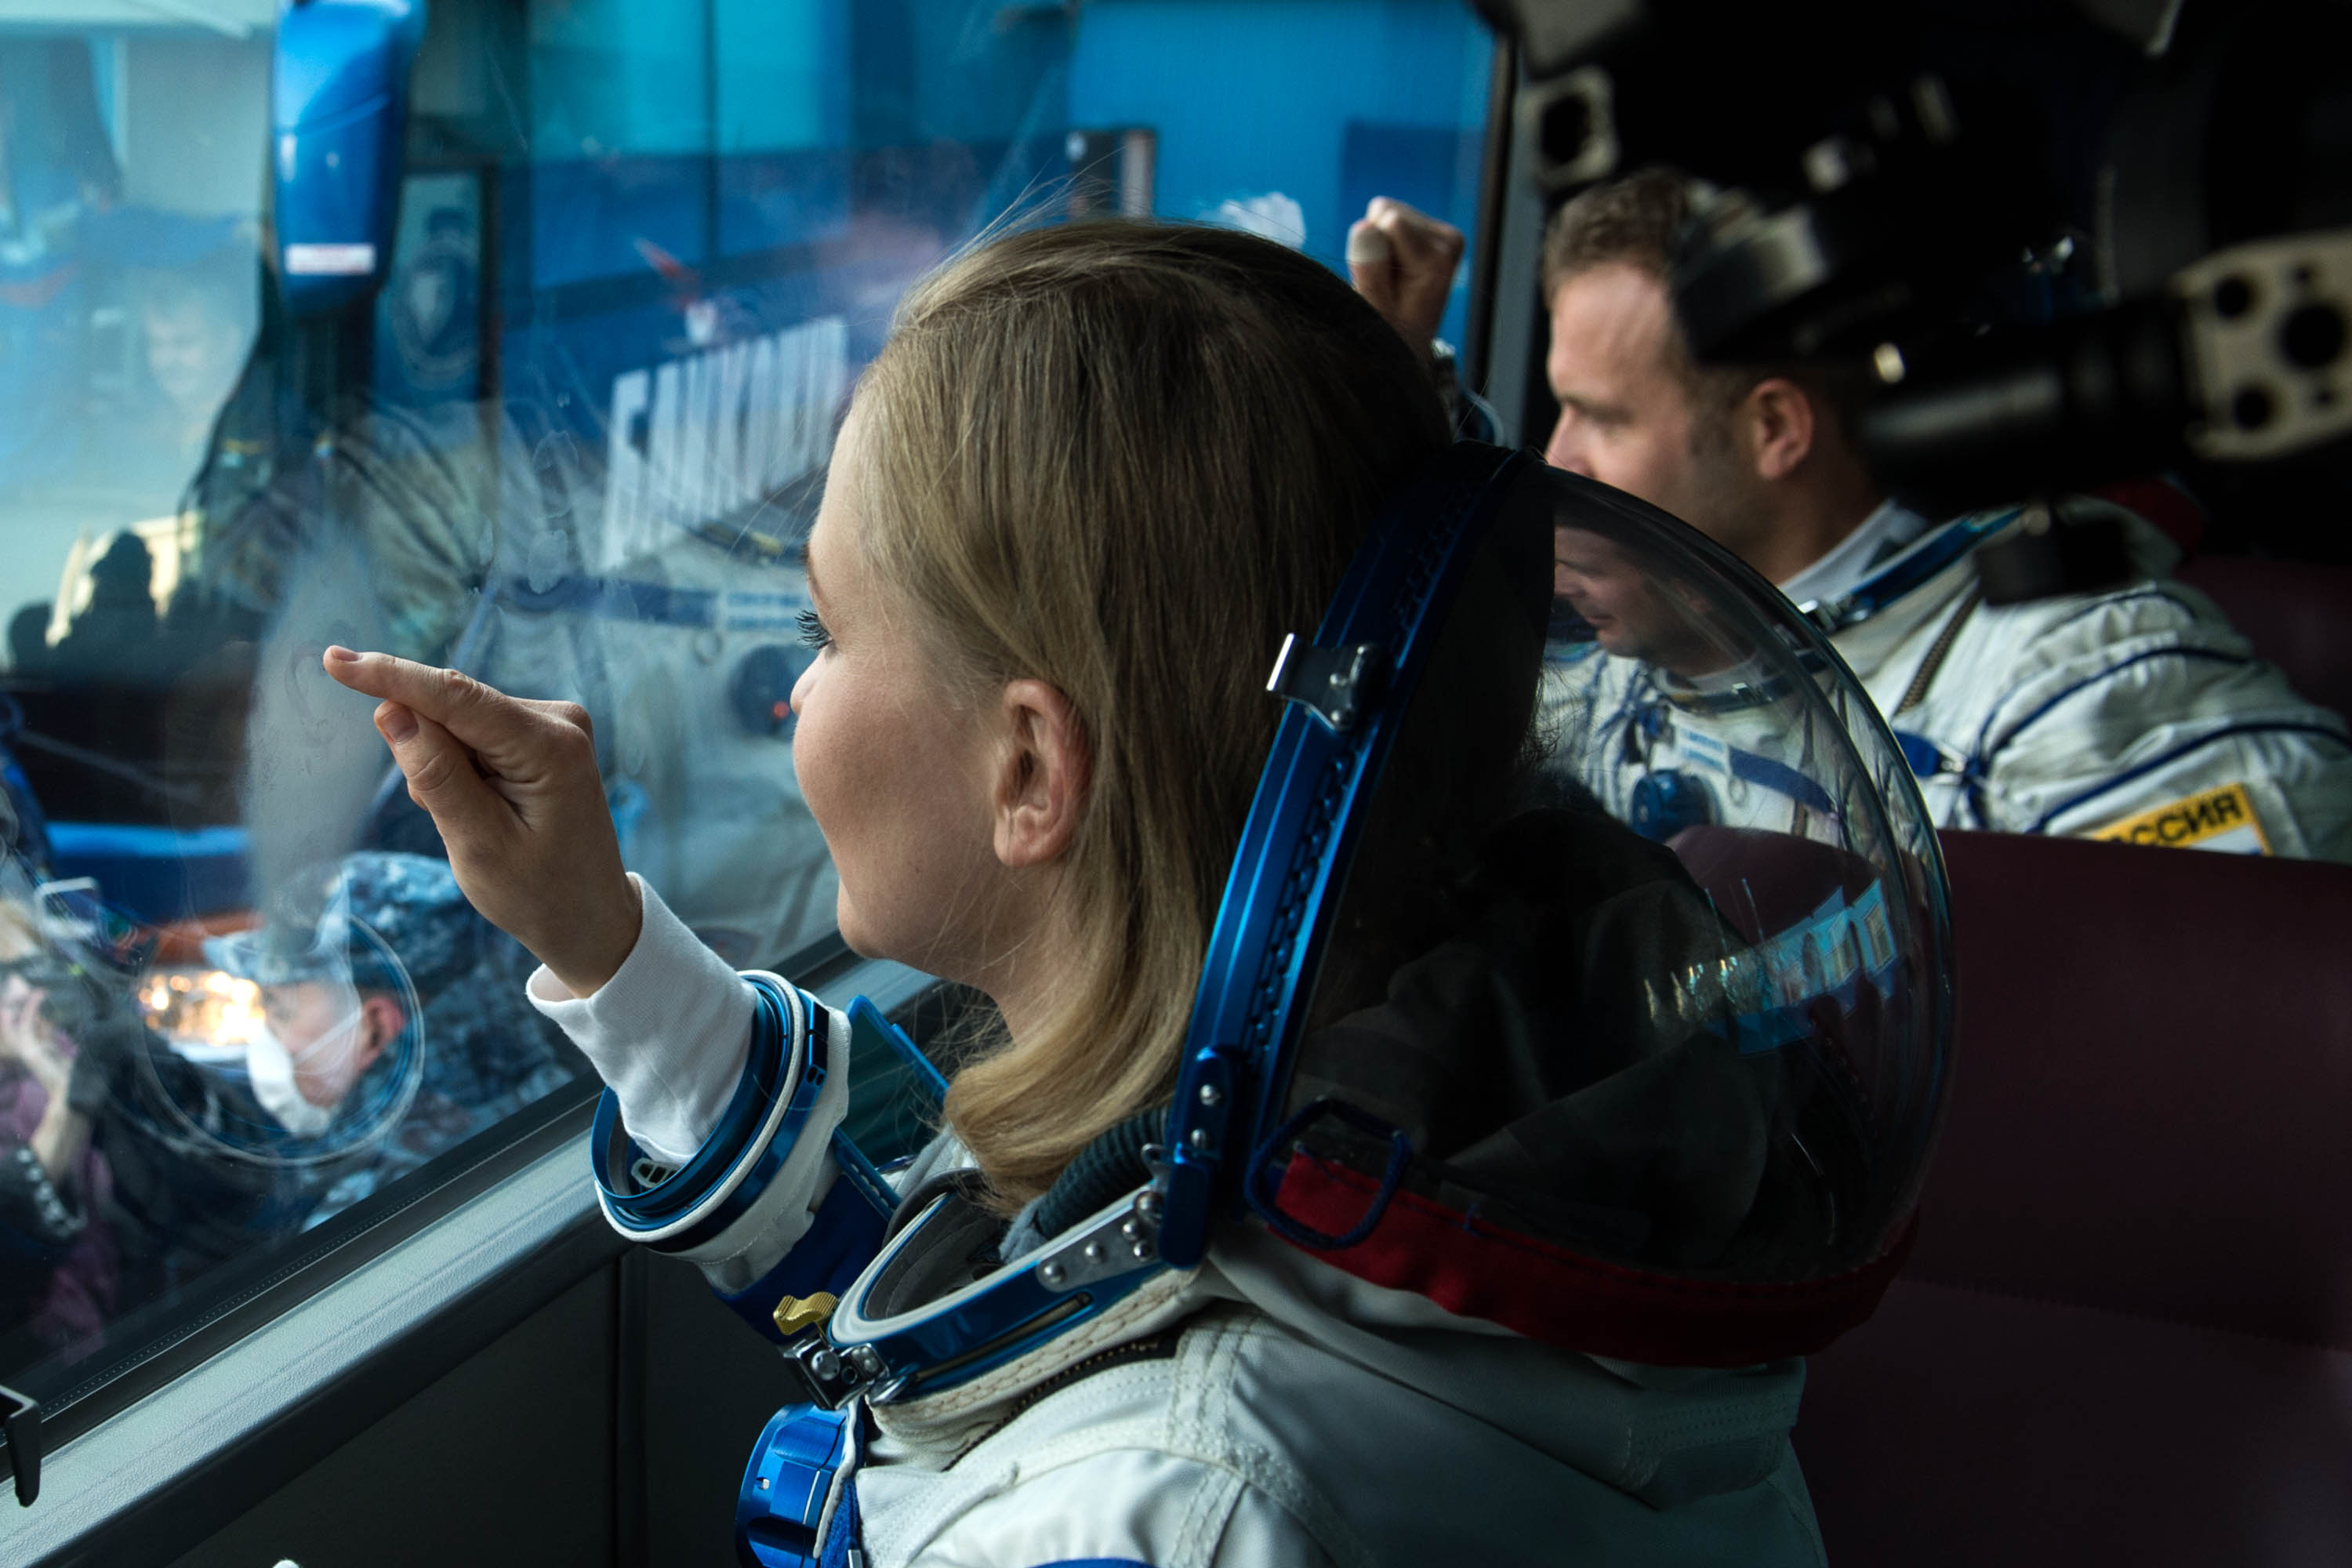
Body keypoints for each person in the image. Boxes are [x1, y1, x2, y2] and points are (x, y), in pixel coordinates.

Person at [321, 220, 1958, 1565]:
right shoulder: (1408, 1096)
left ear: (1031, 770)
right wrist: (603, 942)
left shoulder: (1172, 1513)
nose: (794, 696)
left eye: (825, 634)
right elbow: (982, 1275)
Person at [1348, 177, 2352, 858]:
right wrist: (1397, 384)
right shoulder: (1626, 644)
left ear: (1776, 429)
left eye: (1602, 417)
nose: (1556, 456)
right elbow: (1452, 600)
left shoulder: (2056, 688)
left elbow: (2254, 1006)